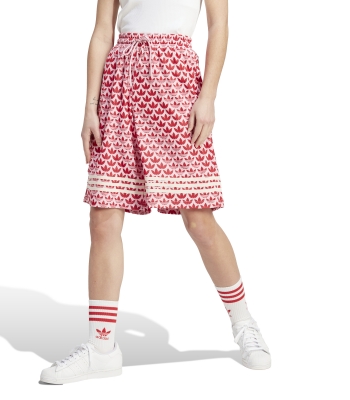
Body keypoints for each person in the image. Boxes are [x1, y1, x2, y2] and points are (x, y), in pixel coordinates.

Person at [39, 0, 271, 385]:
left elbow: (219, 26)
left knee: (199, 218)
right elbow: (102, 32)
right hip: (120, 83)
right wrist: (90, 106)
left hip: (176, 82)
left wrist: (208, 96)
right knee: (103, 215)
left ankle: (244, 322)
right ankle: (101, 348)